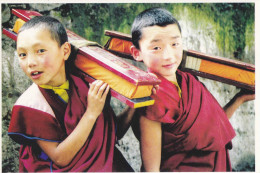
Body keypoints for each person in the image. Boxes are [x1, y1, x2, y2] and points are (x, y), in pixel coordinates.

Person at [130, 7, 255, 172]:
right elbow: (152, 169)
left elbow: (212, 129)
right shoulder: (152, 97)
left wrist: (240, 98)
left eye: (175, 44)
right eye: (156, 48)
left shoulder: (188, 80)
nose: (169, 55)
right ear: (136, 53)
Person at [8, 16, 135, 172]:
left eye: (40, 51)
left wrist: (136, 106)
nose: (30, 62)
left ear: (65, 51)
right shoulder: (31, 104)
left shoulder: (84, 84)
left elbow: (110, 136)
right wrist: (91, 113)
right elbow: (60, 158)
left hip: (98, 162)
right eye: (22, 54)